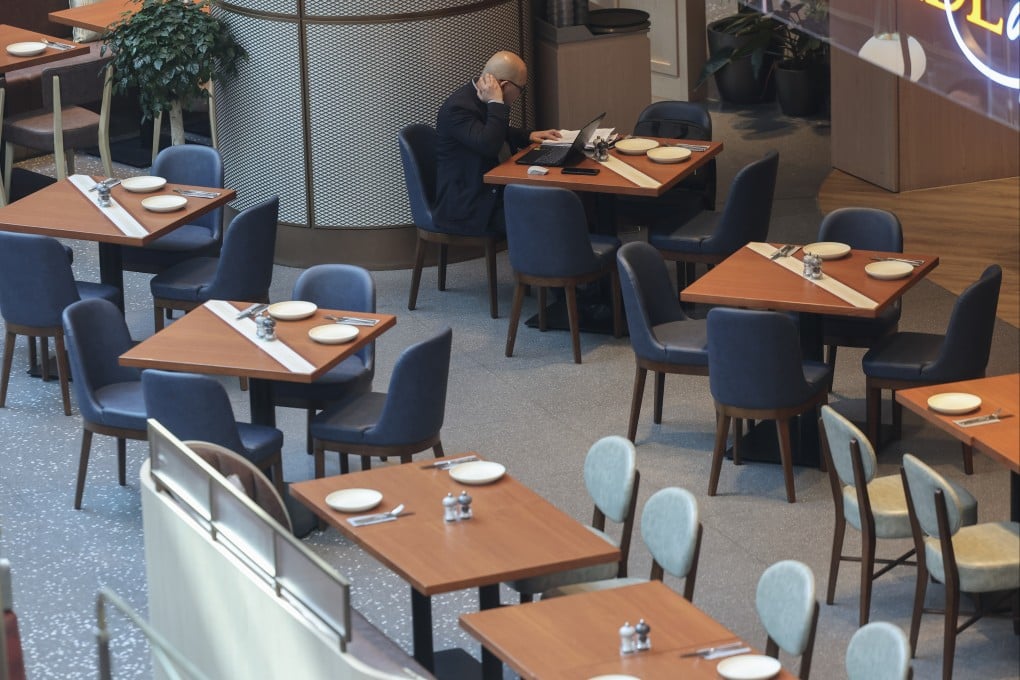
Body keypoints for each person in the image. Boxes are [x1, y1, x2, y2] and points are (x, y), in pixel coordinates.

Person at [434, 51, 560, 235]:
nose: (520, 95)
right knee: (547, 213)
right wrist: (496, 102)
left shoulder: (477, 98)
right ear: (504, 85)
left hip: (490, 194)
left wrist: (529, 135)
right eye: (521, 89)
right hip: (471, 207)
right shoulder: (458, 108)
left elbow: (492, 131)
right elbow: (489, 144)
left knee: (555, 201)